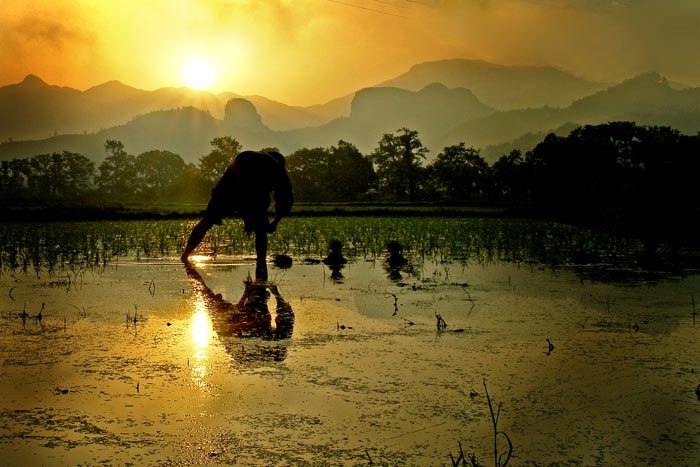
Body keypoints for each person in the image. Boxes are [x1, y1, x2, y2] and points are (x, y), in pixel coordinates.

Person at [180, 150, 293, 272]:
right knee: (260, 228)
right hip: (239, 174)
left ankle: (185, 256)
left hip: (233, 175)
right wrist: (274, 223)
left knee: (207, 220)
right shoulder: (278, 170)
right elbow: (286, 200)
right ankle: (261, 262)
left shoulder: (261, 163)